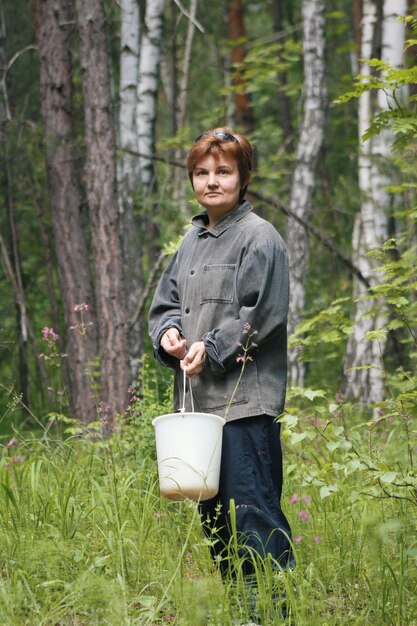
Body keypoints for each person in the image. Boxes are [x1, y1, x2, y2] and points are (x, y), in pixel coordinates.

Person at [148, 127, 293, 621]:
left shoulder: (260, 238)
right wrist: (168, 333)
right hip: (198, 411)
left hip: (246, 407)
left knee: (254, 518)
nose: (212, 181)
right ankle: (243, 614)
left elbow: (263, 317)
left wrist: (210, 348)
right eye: (202, 172)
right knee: (217, 524)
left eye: (223, 171)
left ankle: (273, 615)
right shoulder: (191, 241)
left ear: (243, 177)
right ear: (192, 178)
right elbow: (165, 305)